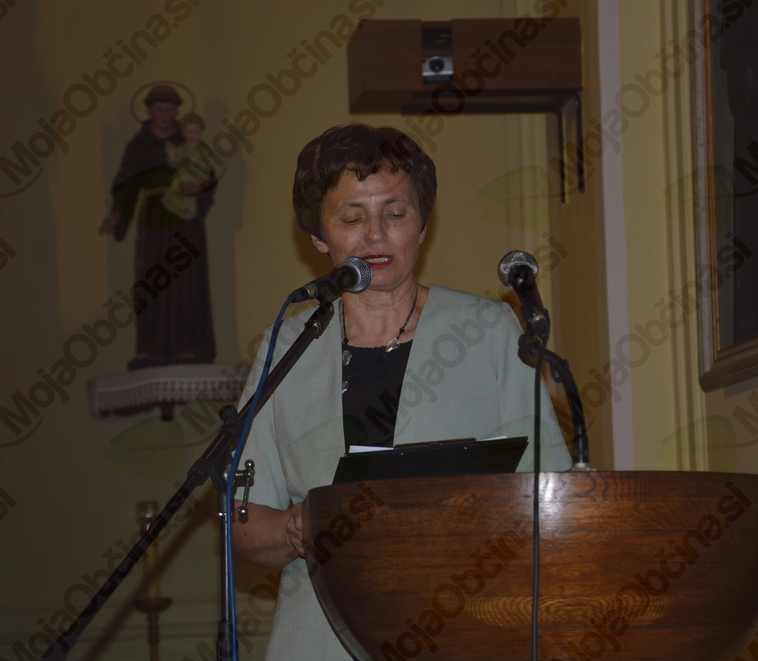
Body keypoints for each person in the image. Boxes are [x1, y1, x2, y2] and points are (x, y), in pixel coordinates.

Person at [231, 124, 571, 660]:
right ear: (318, 236)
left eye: (395, 214)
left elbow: (552, 494)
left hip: (464, 629)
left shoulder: (487, 330)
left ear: (422, 225)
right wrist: (298, 526)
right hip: (319, 639)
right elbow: (243, 521)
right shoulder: (286, 348)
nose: (375, 236)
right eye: (351, 219)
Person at [99, 85, 217, 370]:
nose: (164, 115)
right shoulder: (138, 146)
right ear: (149, 112)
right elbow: (126, 185)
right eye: (159, 109)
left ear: (176, 112)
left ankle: (189, 345)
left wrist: (198, 188)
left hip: (185, 220)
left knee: (187, 279)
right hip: (153, 220)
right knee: (153, 280)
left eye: (169, 110)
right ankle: (152, 347)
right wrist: (116, 215)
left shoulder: (188, 139)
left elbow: (208, 174)